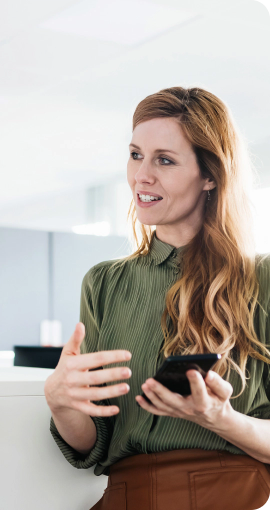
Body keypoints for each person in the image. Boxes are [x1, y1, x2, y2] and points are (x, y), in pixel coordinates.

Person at [44, 87, 270, 510]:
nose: (140, 176)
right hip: (128, 495)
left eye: (164, 160)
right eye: (135, 155)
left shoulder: (262, 279)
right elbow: (95, 439)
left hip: (235, 492)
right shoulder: (104, 283)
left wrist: (220, 419)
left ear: (210, 175)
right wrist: (60, 403)